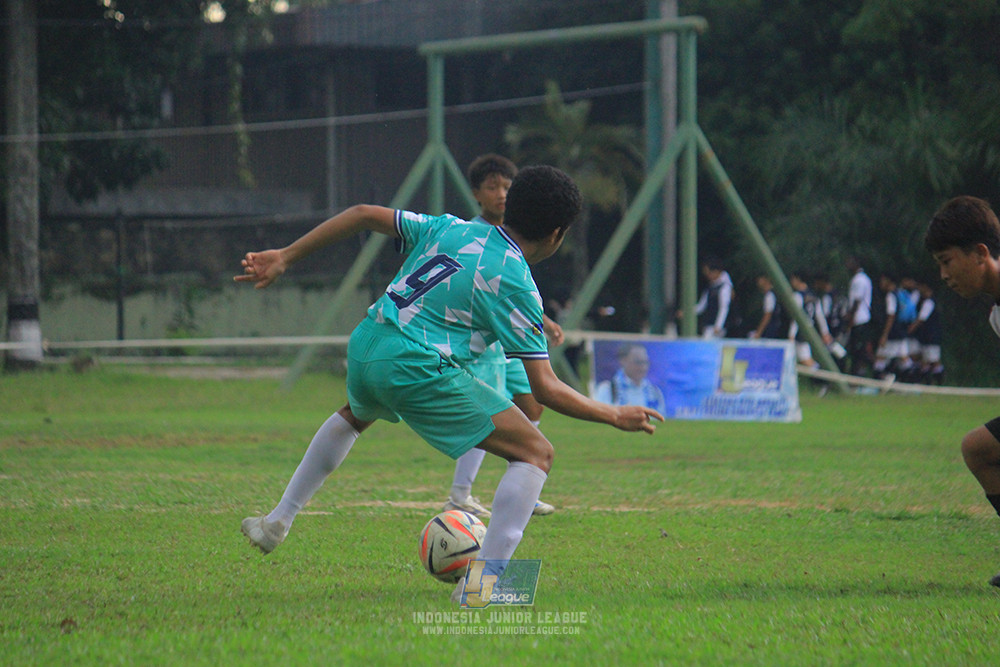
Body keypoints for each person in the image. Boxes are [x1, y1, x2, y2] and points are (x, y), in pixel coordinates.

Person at [234, 165, 664, 603]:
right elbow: (546, 389)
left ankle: (276, 523)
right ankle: (482, 588)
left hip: (368, 344)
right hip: (416, 365)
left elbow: (363, 213)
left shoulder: (451, 228)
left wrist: (285, 255)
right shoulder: (515, 278)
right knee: (536, 452)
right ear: (557, 234)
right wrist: (613, 413)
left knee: (355, 416)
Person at [442, 154, 555, 518]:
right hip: (486, 343)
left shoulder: (518, 231)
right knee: (486, 415)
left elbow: (516, 290)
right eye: (492, 187)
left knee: (533, 403)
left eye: (507, 186)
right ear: (477, 193)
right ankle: (460, 493)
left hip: (515, 340)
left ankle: (524, 483)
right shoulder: (471, 232)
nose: (501, 194)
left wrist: (544, 320)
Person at [923, 195, 1000, 586]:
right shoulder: (997, 316)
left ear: (980, 253)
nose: (944, 275)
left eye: (947, 261)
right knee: (979, 448)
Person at [593, 343, 666, 414]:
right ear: (623, 361)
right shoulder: (607, 390)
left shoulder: (655, 392)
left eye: (645, 362)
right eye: (638, 362)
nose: (643, 367)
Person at [874, 272, 913, 379]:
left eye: (882, 281)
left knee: (880, 357)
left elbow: (891, 315)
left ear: (888, 281)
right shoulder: (900, 293)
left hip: (893, 332)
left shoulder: (890, 296)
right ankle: (913, 381)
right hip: (901, 330)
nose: (881, 283)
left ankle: (880, 382)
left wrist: (885, 334)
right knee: (904, 358)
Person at [844, 256, 875, 377]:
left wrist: (850, 319)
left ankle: (871, 373)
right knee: (858, 351)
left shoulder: (859, 280)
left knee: (859, 350)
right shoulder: (860, 279)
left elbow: (857, 301)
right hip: (860, 318)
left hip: (859, 319)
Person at [907, 280, 943, 384]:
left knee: (934, 360)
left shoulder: (929, 302)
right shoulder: (924, 300)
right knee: (925, 359)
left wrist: (910, 329)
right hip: (926, 335)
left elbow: (921, 319)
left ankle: (938, 382)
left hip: (931, 335)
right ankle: (928, 382)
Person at [693, 257, 734, 338]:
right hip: (709, 325)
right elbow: (701, 306)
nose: (707, 276)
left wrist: (718, 326)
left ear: (715, 271)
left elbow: (724, 307)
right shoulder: (710, 287)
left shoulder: (724, 287)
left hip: (717, 328)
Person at [749, 274, 785, 340]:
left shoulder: (769, 296)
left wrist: (758, 333)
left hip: (770, 331)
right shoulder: (775, 293)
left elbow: (767, 315)